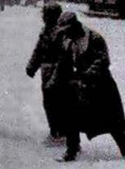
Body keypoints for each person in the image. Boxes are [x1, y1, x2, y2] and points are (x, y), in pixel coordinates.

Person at [53, 11, 125, 162]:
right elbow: (64, 62)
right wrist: (56, 79)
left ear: (75, 26)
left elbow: (102, 61)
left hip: (103, 88)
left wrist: (86, 75)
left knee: (114, 123)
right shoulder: (68, 41)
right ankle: (72, 150)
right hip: (82, 89)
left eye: (67, 30)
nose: (65, 34)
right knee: (72, 117)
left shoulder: (94, 38)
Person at [26, 1, 65, 142]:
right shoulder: (45, 31)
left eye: (46, 15)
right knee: (49, 102)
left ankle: (61, 133)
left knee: (59, 103)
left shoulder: (62, 33)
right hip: (46, 71)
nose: (44, 18)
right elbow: (39, 50)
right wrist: (32, 66)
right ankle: (55, 131)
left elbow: (65, 55)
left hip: (60, 71)